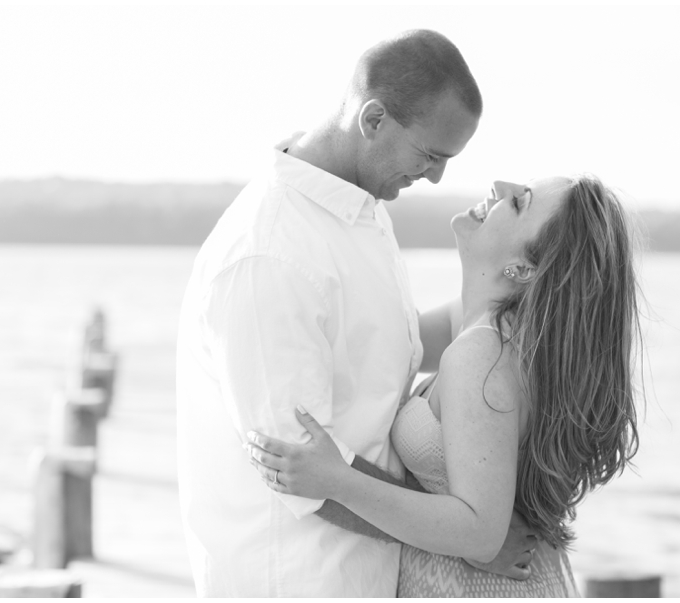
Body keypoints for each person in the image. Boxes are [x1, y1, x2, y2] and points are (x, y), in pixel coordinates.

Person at [176, 30, 533, 597]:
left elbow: (398, 347)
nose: (437, 177)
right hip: (296, 580)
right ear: (373, 121)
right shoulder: (270, 254)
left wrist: (533, 287)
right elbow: (301, 476)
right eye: (430, 155)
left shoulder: (358, 207)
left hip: (365, 576)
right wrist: (469, 537)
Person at [246, 174, 642, 596]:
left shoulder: (484, 354)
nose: (501, 186)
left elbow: (480, 534)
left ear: (524, 268)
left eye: (520, 203)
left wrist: (337, 479)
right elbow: (378, 346)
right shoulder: (488, 327)